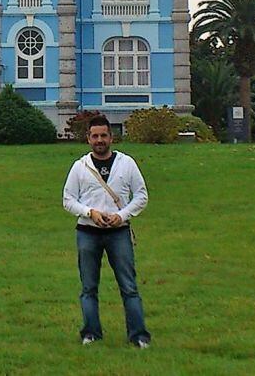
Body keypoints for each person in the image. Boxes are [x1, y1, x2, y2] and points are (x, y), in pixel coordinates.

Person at [62, 114, 151, 347]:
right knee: (89, 287)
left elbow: (141, 196)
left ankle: (139, 335)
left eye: (103, 135)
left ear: (112, 137)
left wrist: (121, 215)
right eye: (95, 136)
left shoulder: (127, 164)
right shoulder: (80, 167)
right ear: (88, 139)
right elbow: (68, 200)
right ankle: (91, 333)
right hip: (87, 232)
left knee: (129, 287)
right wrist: (90, 212)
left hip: (118, 232)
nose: (99, 140)